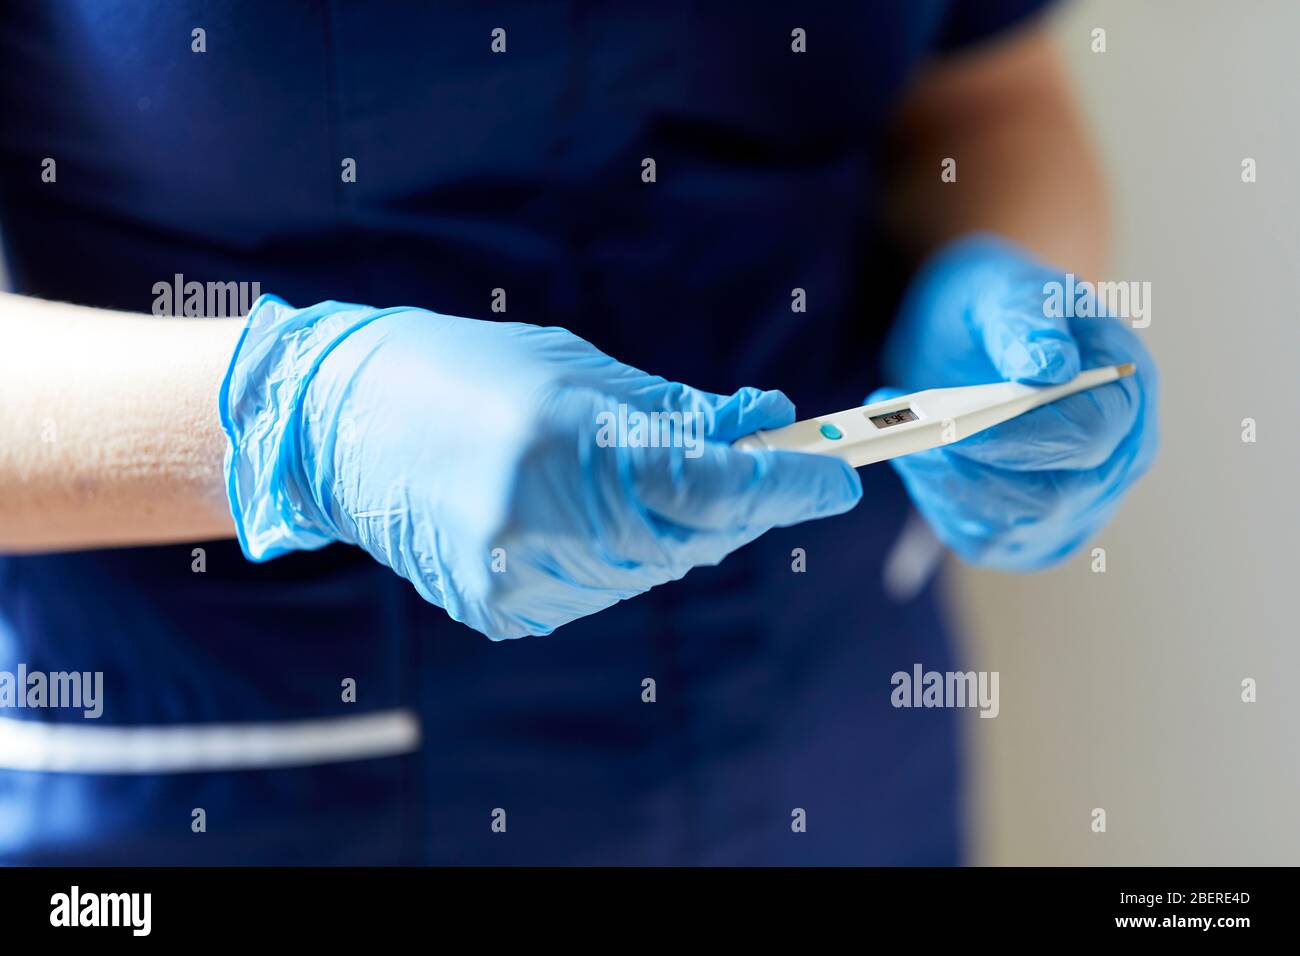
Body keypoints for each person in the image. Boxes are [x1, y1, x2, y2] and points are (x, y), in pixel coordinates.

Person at [0, 1, 1156, 863]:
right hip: (253, 796)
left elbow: (989, 98)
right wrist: (297, 417)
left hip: (840, 750)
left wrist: (1004, 287)